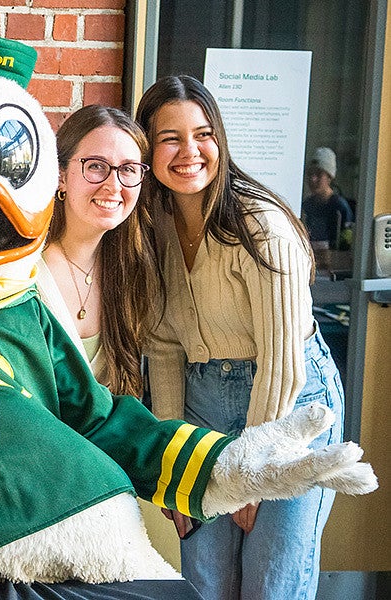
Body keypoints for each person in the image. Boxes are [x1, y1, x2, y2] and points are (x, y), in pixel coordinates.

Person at [136, 75, 344, 600]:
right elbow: (162, 349)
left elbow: (282, 364)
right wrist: (172, 464)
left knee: (271, 587)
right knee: (204, 584)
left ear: (220, 141)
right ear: (148, 148)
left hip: (289, 408)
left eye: (203, 134)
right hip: (202, 407)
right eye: (169, 138)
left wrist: (253, 473)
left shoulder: (262, 228)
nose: (189, 151)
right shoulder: (151, 228)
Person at [36, 104, 159, 397]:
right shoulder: (25, 272)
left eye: (128, 169)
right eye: (95, 166)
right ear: (61, 175)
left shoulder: (132, 269)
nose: (113, 185)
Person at [301, 146, 354, 270]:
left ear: (330, 177)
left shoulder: (340, 207)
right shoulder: (306, 205)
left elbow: (347, 247)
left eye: (319, 175)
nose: (313, 179)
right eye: (310, 174)